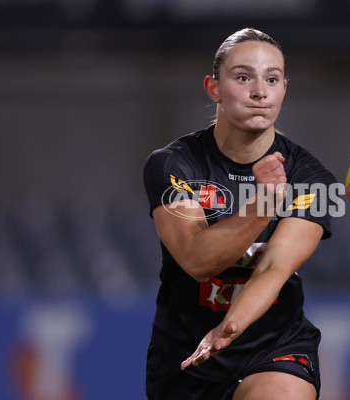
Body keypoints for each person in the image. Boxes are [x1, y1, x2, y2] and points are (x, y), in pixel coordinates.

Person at [143, 27, 337, 400]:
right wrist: (263, 205)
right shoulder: (172, 164)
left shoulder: (313, 179)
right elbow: (198, 260)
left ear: (284, 90)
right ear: (213, 88)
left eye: (272, 79)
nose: (260, 91)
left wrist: (230, 326)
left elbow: (274, 268)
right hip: (185, 357)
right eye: (243, 77)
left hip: (274, 346)